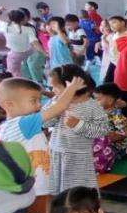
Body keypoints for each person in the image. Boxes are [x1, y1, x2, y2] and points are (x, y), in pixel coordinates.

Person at [0, 76, 86, 213]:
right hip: (32, 185)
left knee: (41, 206)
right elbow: (59, 107)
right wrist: (71, 88)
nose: (39, 105)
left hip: (31, 182)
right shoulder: (23, 123)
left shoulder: (10, 126)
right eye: (33, 100)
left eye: (39, 100)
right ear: (9, 105)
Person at [43, 65, 109, 193]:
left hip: (78, 156)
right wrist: (56, 109)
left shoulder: (91, 105)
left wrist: (78, 124)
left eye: (55, 86)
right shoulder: (56, 101)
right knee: (54, 189)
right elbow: (45, 123)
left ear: (71, 85)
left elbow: (102, 130)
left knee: (77, 191)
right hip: (56, 151)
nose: (53, 90)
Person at [93, 83, 127, 172]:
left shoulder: (116, 116)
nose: (94, 102)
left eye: (98, 99)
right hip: (103, 142)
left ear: (110, 101)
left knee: (97, 152)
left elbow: (123, 134)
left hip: (117, 147)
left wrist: (105, 139)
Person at [5, 9, 44, 78]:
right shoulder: (26, 29)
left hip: (25, 52)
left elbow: (34, 42)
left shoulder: (7, 27)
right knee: (26, 71)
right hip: (27, 52)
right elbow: (34, 42)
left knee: (30, 70)